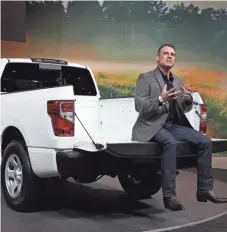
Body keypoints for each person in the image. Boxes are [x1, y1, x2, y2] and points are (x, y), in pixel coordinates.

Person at [132, 44, 227, 211]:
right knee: (171, 144)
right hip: (152, 125)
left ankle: (204, 189)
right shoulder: (145, 78)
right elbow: (139, 106)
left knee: (205, 142)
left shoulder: (178, 81)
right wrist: (160, 99)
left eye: (173, 54)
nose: (169, 56)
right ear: (157, 57)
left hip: (173, 125)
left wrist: (188, 100)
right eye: (166, 53)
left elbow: (181, 108)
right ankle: (170, 196)